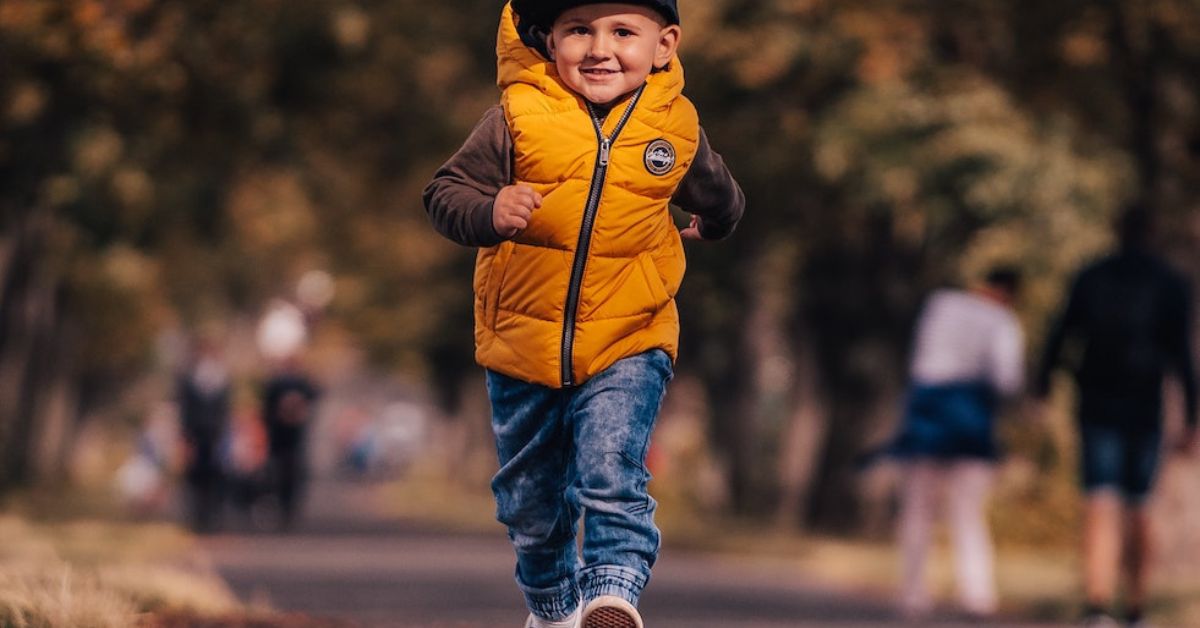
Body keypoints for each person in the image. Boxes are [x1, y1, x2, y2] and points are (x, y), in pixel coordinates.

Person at [423, 1, 744, 626]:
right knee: (530, 503)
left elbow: (720, 193)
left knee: (611, 466)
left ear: (664, 44)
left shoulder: (673, 128)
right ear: (550, 40)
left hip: (632, 332)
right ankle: (553, 610)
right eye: (579, 31)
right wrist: (489, 211)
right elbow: (443, 193)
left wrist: (716, 221)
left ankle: (613, 594)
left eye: (623, 32)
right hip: (522, 340)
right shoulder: (515, 120)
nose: (599, 48)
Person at [1035, 205, 1198, 628]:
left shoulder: (1092, 275)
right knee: (1139, 506)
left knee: (1100, 502)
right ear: (1153, 232)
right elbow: (1182, 354)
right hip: (1145, 405)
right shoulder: (1169, 282)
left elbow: (1062, 333)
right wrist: (1193, 417)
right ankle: (1137, 607)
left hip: (1097, 402)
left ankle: (1097, 606)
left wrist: (1042, 386)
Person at [882, 268, 1025, 620]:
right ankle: (977, 594)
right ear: (1009, 292)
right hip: (970, 420)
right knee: (968, 511)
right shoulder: (1003, 322)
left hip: (927, 414)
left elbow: (920, 357)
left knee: (918, 509)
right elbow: (1007, 379)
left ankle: (913, 593)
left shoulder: (940, 304)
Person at [177, 338, 232, 533]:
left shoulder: (222, 378)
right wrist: (184, 436)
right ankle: (198, 517)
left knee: (215, 475)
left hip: (215, 434)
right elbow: (184, 409)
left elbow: (225, 409)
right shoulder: (188, 378)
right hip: (195, 434)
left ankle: (212, 515)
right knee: (195, 476)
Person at [261, 359, 320, 531]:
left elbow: (313, 397)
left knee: (294, 474)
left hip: (295, 440)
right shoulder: (275, 384)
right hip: (279, 438)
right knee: (279, 474)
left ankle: (290, 510)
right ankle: (282, 507)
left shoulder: (302, 383)